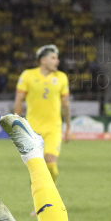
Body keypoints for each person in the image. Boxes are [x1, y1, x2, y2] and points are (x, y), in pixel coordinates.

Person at [13, 45, 71, 191]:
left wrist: (68, 126)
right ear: (43, 60)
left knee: (51, 164)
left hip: (53, 128)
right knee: (37, 168)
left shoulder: (62, 78)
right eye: (53, 58)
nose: (57, 61)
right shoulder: (28, 75)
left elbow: (65, 105)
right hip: (32, 130)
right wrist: (15, 126)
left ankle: (50, 196)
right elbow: (18, 101)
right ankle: (39, 199)